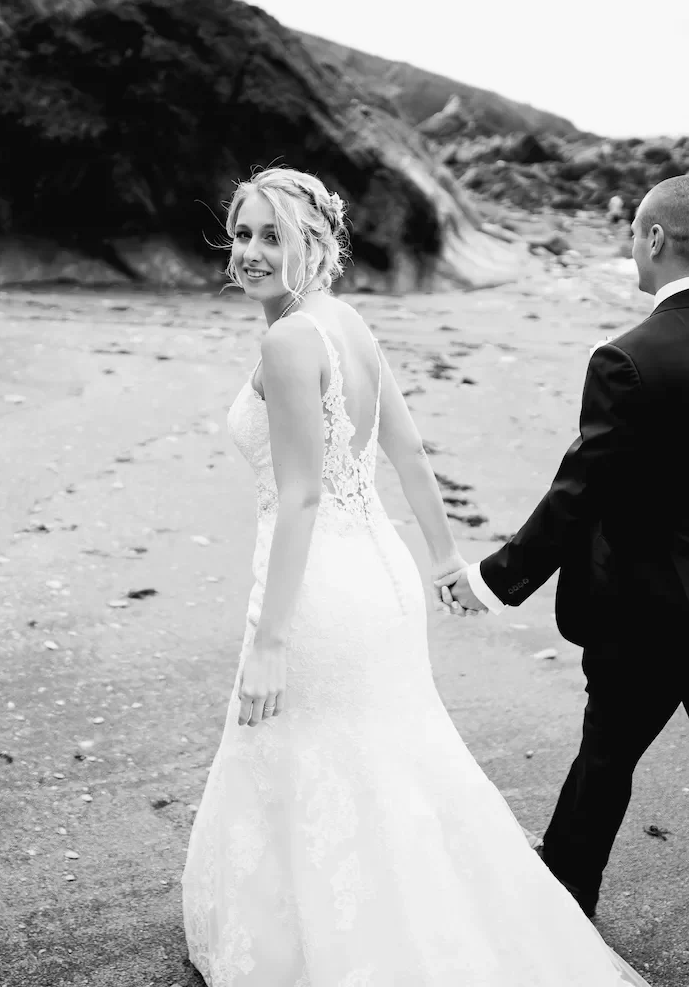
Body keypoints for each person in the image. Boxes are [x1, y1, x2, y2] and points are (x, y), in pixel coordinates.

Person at [180, 166, 653, 986]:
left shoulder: (290, 340)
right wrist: (439, 559)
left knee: (316, 751)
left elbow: (297, 498)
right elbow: (404, 449)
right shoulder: (348, 323)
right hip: (382, 579)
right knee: (389, 755)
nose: (250, 252)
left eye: (271, 236)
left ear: (317, 244)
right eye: (243, 234)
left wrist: (269, 640)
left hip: (319, 590)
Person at [444, 175, 689, 987]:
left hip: (646, 616)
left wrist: (494, 579)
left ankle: (557, 932)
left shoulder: (625, 356)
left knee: (602, 771)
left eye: (633, 235)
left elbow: (583, 489)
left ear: (653, 239)